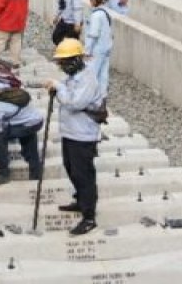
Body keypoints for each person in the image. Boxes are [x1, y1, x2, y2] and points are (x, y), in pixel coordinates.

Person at [47, 38, 103, 236]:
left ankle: (89, 217)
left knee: (84, 174)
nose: (61, 66)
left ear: (75, 60)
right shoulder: (74, 75)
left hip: (83, 134)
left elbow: (75, 103)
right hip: (70, 132)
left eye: (63, 62)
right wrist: (59, 86)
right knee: (70, 167)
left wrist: (59, 88)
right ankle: (80, 201)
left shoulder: (87, 79)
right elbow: (66, 88)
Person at [0, 78, 44, 186]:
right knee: (27, 134)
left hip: (28, 123)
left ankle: (3, 172)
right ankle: (36, 171)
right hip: (35, 120)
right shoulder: (0, 96)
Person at [82, 0, 115, 101]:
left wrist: (86, 51)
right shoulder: (106, 13)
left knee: (92, 73)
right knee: (103, 73)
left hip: (97, 49)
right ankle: (102, 95)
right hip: (106, 47)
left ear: (96, 0)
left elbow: (93, 34)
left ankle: (91, 96)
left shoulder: (96, 15)